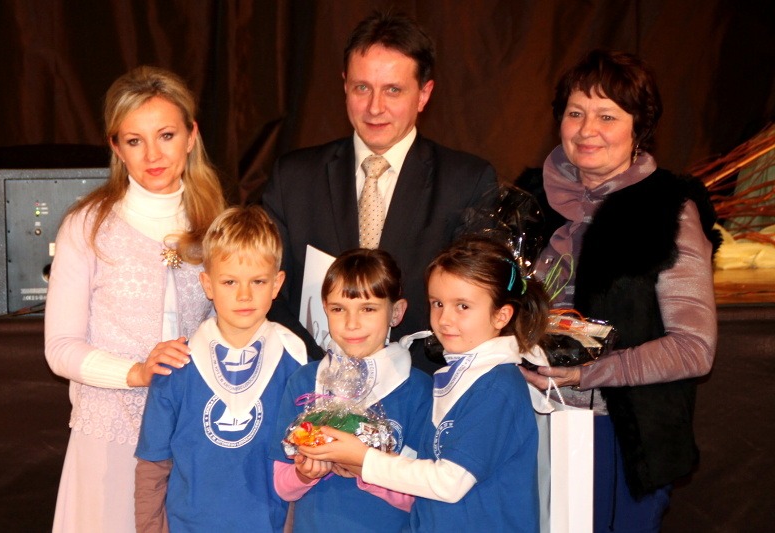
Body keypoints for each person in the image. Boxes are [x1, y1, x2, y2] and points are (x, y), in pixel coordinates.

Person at [515, 50, 721, 532]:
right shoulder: (527, 200)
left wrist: (585, 374)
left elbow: (694, 348)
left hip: (619, 438)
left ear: (638, 127)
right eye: (576, 113)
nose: (587, 130)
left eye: (607, 116)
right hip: (524, 424)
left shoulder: (669, 210)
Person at [262, 11, 498, 373]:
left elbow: (474, 306)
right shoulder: (293, 178)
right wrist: (318, 373)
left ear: (424, 94)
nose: (375, 107)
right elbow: (266, 291)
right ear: (345, 85)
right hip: (312, 384)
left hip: (423, 388)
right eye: (362, 88)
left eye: (393, 90)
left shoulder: (467, 182)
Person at [44, 66, 225, 532]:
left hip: (193, 435)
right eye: (134, 140)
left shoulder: (218, 226)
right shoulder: (86, 226)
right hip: (109, 437)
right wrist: (137, 373)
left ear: (191, 136)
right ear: (116, 147)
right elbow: (60, 349)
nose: (153, 155)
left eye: (166, 135)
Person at [299, 236, 548, 532]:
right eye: (437, 303)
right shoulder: (463, 376)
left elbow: (449, 482)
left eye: (463, 306)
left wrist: (364, 458)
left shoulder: (496, 387)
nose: (445, 319)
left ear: (501, 315)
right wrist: (357, 462)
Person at [134, 206, 307, 531]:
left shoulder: (296, 365)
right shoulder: (176, 366)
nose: (244, 295)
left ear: (277, 283)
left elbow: (302, 464)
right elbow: (152, 466)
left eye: (258, 281)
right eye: (229, 281)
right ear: (207, 284)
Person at [269, 248, 432, 532]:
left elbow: (424, 494)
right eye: (338, 309)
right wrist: (304, 475)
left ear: (396, 312)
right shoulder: (305, 382)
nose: (351, 323)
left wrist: (365, 467)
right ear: (325, 309)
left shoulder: (418, 390)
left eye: (368, 309)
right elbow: (282, 486)